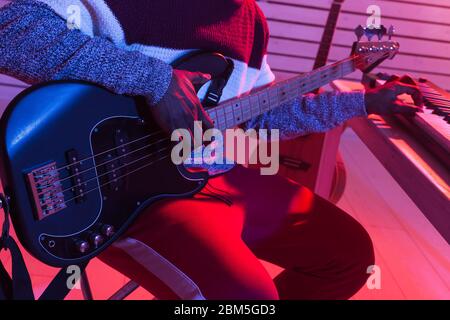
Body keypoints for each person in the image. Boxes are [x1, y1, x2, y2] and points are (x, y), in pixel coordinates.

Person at [0, 0, 422, 299]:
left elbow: (257, 118)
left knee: (349, 257)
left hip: (214, 176)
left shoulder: (251, 20)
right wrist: (155, 80)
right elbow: (12, 33)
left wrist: (365, 102)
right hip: (124, 193)